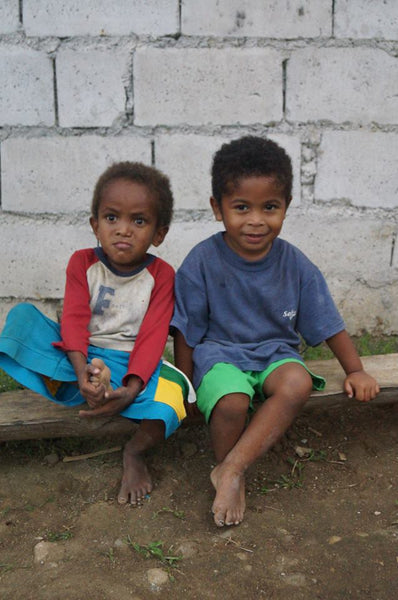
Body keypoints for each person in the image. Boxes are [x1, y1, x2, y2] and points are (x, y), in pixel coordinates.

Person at [171, 136, 379, 528]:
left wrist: (355, 369)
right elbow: (186, 329)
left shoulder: (295, 264)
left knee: (298, 381)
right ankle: (231, 470)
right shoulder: (202, 260)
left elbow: (328, 321)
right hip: (219, 353)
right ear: (218, 209)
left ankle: (231, 469)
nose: (256, 220)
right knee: (231, 400)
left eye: (270, 207)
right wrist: (186, 386)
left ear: (285, 207)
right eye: (241, 207)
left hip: (273, 353)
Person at [0, 161, 193, 506]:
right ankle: (85, 385)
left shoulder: (162, 275)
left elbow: (153, 336)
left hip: (133, 363)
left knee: (175, 400)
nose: (123, 230)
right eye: (111, 218)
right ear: (95, 225)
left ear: (159, 234)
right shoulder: (82, 262)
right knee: (22, 320)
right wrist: (81, 370)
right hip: (79, 356)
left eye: (139, 220)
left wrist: (132, 388)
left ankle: (134, 451)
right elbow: (73, 320)